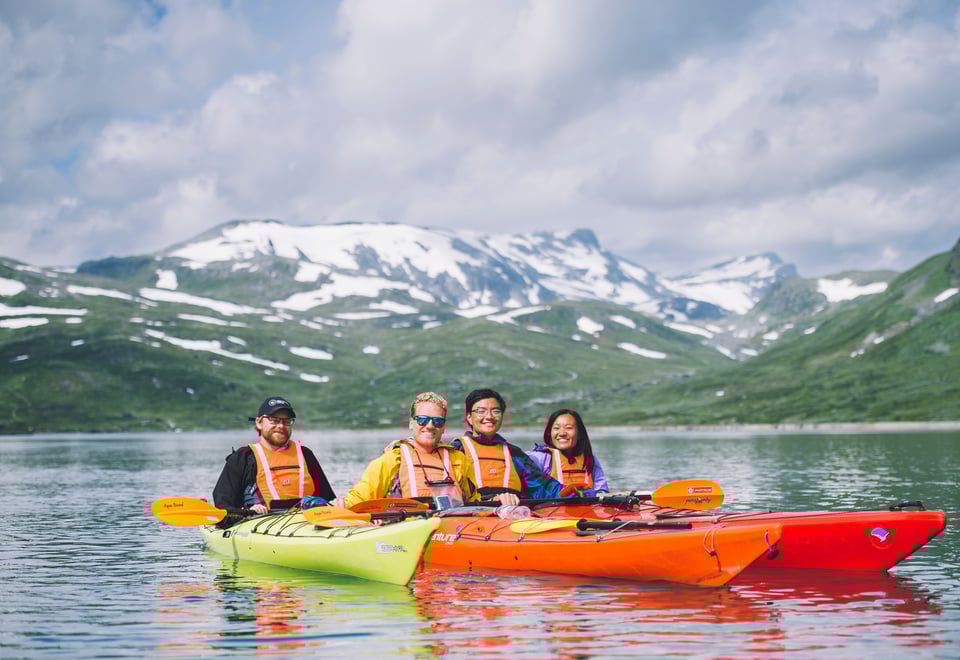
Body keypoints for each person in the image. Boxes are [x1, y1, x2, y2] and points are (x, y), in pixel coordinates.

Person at [340, 392, 481, 508]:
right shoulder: (393, 458)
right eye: (422, 420)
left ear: (444, 428)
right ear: (411, 423)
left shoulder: (458, 459)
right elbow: (363, 493)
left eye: (438, 421)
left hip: (452, 528)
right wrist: (343, 504)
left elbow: (474, 500)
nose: (430, 426)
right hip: (410, 527)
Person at [451, 388, 585, 506]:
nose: (489, 416)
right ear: (469, 417)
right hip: (473, 517)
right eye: (481, 411)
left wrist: (576, 493)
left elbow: (543, 486)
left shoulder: (514, 453)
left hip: (512, 516)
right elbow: (450, 492)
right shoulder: (456, 450)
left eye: (496, 411)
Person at [213, 396, 335, 515]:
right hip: (259, 523)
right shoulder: (243, 458)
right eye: (274, 420)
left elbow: (327, 500)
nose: (281, 426)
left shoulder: (305, 454)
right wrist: (247, 511)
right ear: (259, 423)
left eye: (287, 421)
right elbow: (223, 506)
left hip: (305, 522)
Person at [526, 409, 609, 493]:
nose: (562, 433)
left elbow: (602, 490)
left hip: (587, 504)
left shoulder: (590, 459)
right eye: (556, 428)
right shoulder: (539, 458)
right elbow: (518, 463)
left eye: (569, 428)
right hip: (551, 505)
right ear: (549, 433)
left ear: (579, 433)